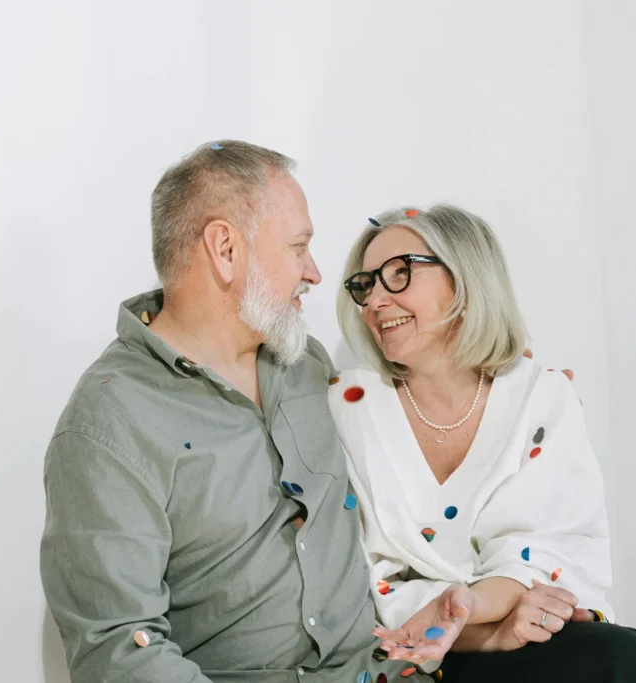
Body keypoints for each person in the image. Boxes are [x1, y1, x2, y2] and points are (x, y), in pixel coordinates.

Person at [41, 140, 422, 682]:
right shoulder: (108, 424)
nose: (313, 272)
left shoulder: (305, 364)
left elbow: (406, 440)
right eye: (298, 247)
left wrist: (498, 378)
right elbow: (118, 651)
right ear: (225, 248)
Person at [328, 205, 636, 681]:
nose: (374, 301)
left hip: (521, 632)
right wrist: (477, 630)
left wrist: (473, 605)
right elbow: (359, 576)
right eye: (365, 284)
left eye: (399, 273)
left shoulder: (540, 396)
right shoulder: (347, 406)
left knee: (622, 656)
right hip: (401, 654)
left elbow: (551, 549)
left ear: (466, 278)